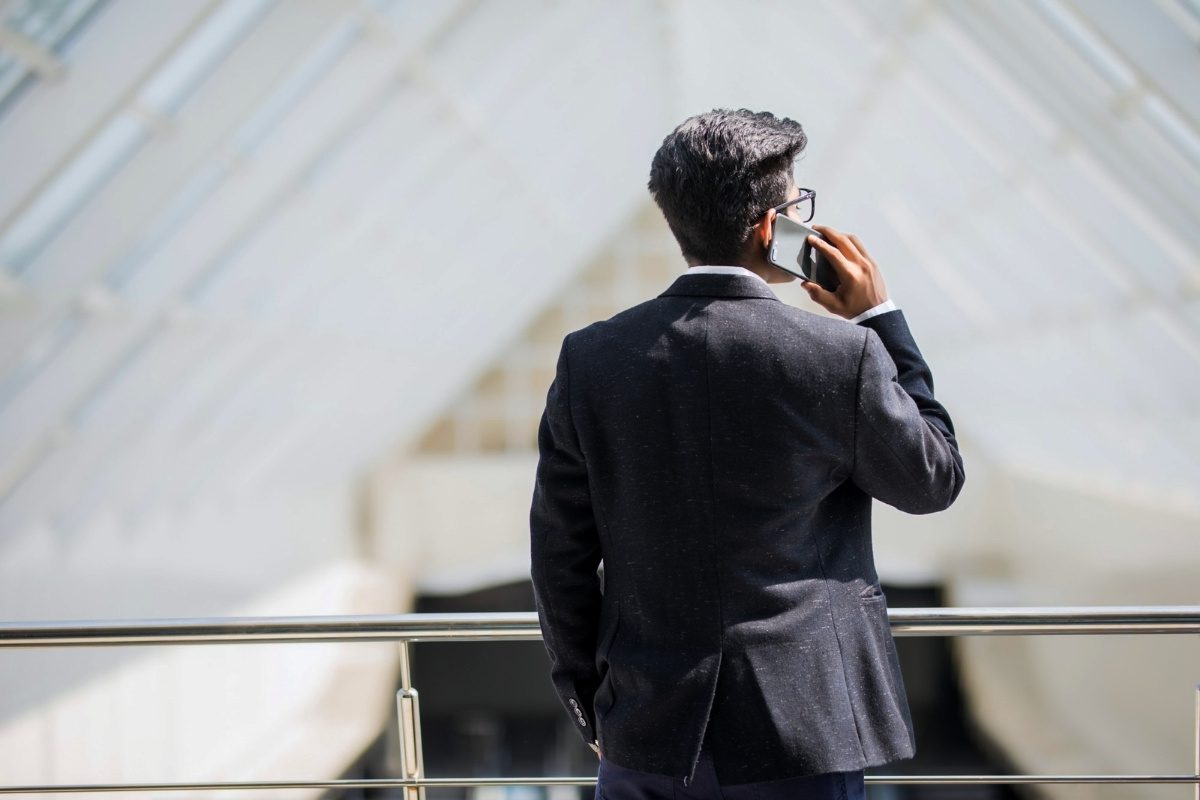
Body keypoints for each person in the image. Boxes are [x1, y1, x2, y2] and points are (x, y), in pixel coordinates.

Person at [529, 108, 965, 800]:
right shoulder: (839, 355)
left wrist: (592, 703)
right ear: (771, 227)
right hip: (802, 736)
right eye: (798, 207)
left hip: (645, 733)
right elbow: (933, 477)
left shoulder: (591, 360)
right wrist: (881, 321)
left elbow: (561, 555)